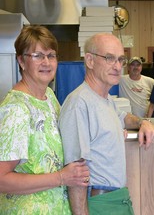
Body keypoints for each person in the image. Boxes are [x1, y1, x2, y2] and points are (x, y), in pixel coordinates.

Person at [58, 33, 154, 215]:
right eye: (109, 58)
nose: (118, 66)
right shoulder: (79, 103)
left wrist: (143, 122)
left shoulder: (106, 100)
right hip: (99, 203)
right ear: (89, 60)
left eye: (121, 60)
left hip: (117, 199)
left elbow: (124, 117)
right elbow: (76, 172)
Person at [0, 25, 89, 214]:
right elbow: (2, 179)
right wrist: (61, 178)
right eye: (38, 56)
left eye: (51, 55)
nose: (46, 62)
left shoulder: (48, 96)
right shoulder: (16, 109)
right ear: (22, 61)